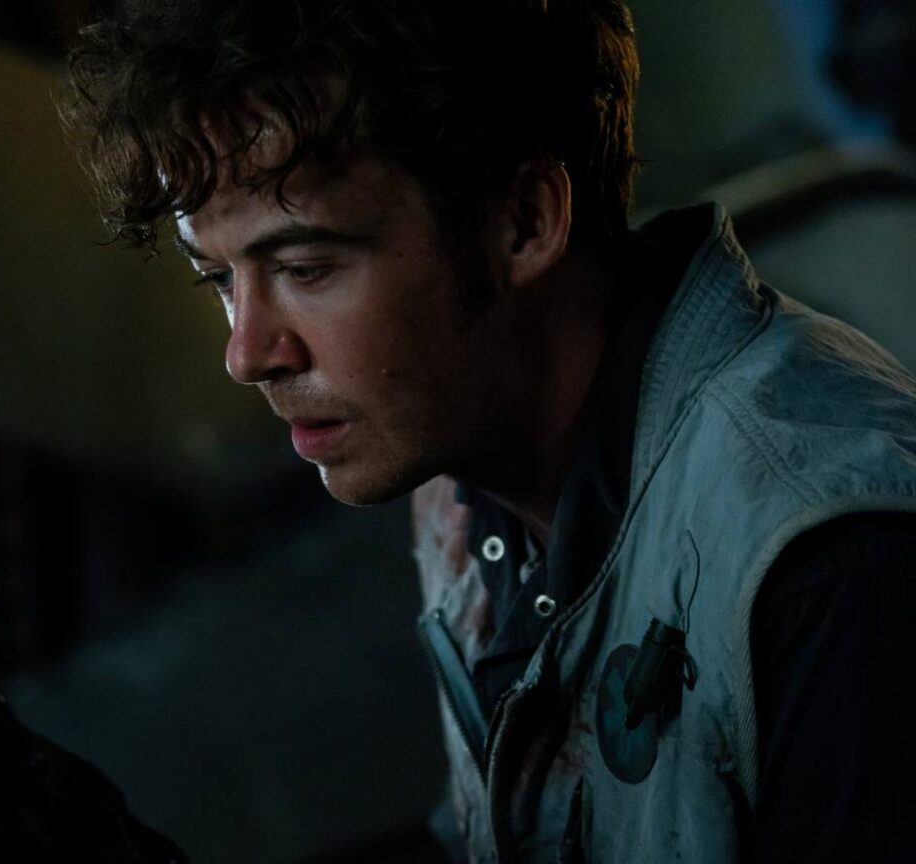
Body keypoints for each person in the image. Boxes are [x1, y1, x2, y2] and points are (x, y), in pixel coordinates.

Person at [58, 1, 916, 861]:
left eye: (306, 267)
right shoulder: (454, 457)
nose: (248, 354)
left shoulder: (831, 571)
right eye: (218, 278)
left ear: (525, 222)